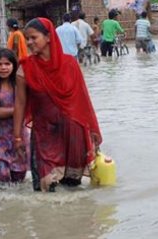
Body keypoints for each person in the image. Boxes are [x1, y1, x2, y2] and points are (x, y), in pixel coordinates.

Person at [12, 18, 102, 192]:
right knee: (44, 189)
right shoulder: (25, 69)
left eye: (33, 38)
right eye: (27, 38)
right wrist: (17, 137)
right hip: (43, 135)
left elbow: (82, 101)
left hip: (72, 133)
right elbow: (20, 104)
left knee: (73, 191)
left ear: (48, 37)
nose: (29, 43)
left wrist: (91, 131)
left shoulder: (70, 64)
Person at [0, 48, 29, 185]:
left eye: (7, 64)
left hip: (20, 136)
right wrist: (20, 109)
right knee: (0, 178)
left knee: (19, 179)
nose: (3, 68)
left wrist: (17, 109)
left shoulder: (20, 83)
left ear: (14, 66)